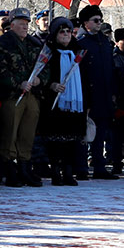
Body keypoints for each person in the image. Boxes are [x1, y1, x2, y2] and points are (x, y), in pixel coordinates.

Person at [0, 9, 43, 187]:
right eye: (21, 24)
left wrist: (39, 80)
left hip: (31, 95)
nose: (25, 27)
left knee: (27, 133)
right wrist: (17, 83)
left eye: (26, 24)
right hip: (12, 95)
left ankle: (24, 167)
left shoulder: (33, 43)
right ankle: (9, 169)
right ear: (11, 25)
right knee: (10, 132)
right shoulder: (3, 43)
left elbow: (45, 65)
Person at [36, 17, 83, 186]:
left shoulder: (78, 51)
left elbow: (86, 77)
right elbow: (40, 73)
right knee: (55, 141)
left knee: (71, 140)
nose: (65, 35)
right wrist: (51, 85)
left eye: (68, 31)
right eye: (61, 32)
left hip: (75, 102)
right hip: (54, 102)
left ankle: (69, 172)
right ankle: (56, 172)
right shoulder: (49, 51)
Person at [77, 6, 117, 179]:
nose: (99, 23)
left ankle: (99, 165)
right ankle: (81, 168)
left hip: (104, 93)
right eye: (95, 20)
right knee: (84, 133)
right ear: (86, 23)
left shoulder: (105, 42)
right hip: (86, 94)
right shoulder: (80, 43)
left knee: (100, 131)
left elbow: (112, 68)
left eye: (100, 20)